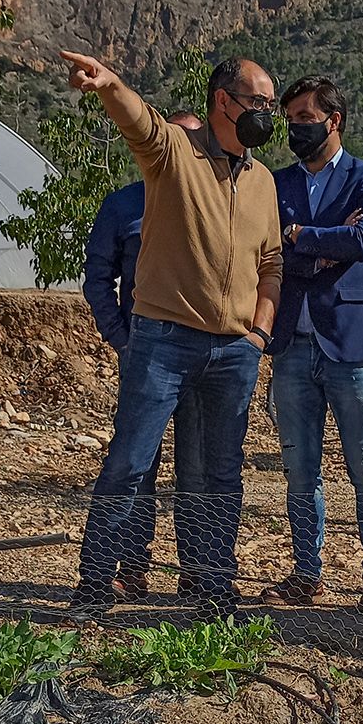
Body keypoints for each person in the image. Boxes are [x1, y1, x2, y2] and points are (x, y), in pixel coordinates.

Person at [62, 51, 284, 616]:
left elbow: (273, 263)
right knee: (130, 463)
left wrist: (258, 332)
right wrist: (111, 84)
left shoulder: (262, 182)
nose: (266, 114)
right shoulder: (174, 154)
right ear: (222, 102)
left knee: (219, 474)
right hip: (164, 341)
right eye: (257, 102)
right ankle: (94, 587)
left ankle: (211, 587)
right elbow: (139, 122)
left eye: (270, 104)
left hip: (235, 351)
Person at [260, 76, 363, 610]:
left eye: (303, 117)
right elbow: (267, 251)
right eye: (289, 118)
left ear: (332, 120)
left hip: (351, 344)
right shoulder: (275, 183)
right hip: (292, 341)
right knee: (299, 467)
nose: (294, 127)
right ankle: (306, 571)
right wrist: (318, 243)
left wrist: (299, 236)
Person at [80, 110, 204, 600]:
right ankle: (126, 566)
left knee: (198, 466)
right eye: (178, 140)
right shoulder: (123, 206)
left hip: (206, 356)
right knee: (135, 464)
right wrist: (122, 337)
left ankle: (199, 570)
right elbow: (98, 279)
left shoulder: (217, 204)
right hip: (146, 356)